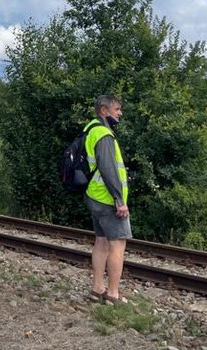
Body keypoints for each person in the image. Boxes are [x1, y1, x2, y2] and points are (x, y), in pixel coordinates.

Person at [83, 94, 131, 304]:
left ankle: (97, 289)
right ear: (104, 111)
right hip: (107, 199)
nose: (120, 113)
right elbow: (109, 170)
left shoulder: (90, 130)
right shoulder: (104, 135)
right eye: (117, 109)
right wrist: (119, 200)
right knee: (117, 245)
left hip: (94, 195)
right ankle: (112, 294)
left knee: (101, 242)